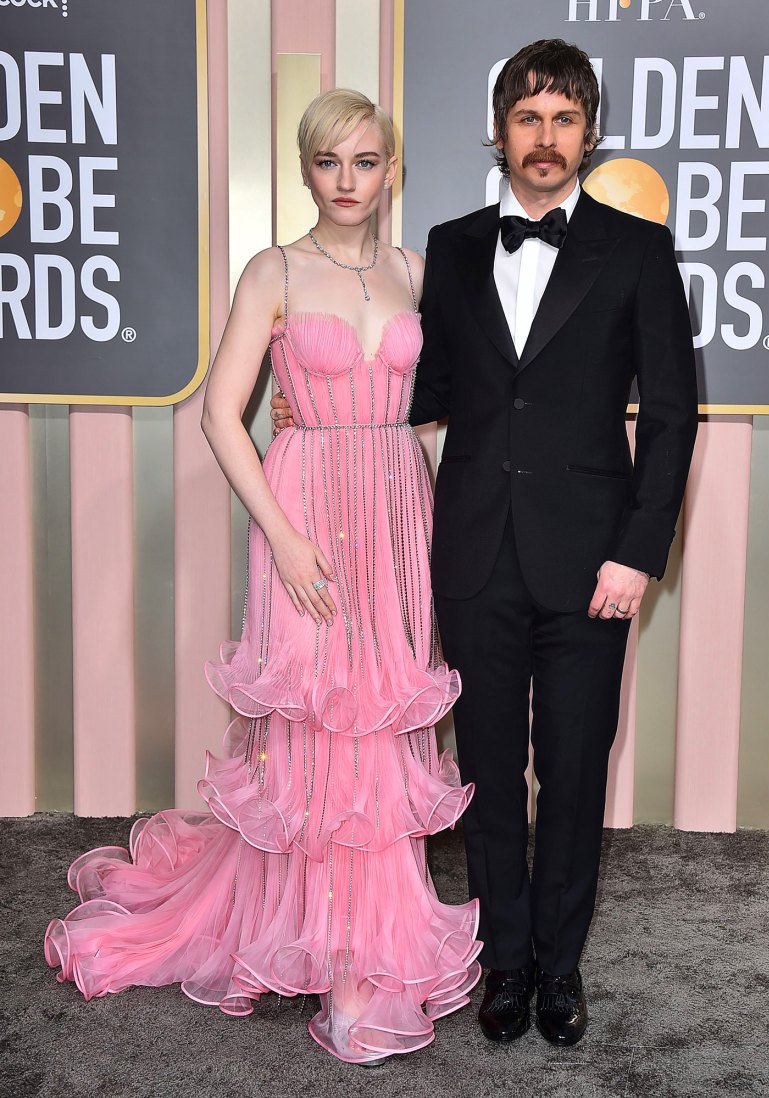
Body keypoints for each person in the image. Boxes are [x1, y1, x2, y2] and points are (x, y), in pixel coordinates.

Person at [272, 39, 697, 1048]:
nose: (542, 138)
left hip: (592, 560)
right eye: (525, 118)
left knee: (576, 769)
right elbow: (432, 389)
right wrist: (320, 413)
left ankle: (559, 966)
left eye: (561, 119)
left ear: (586, 134)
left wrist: (637, 552)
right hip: (466, 554)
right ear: (499, 132)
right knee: (489, 772)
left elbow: (672, 416)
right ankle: (503, 962)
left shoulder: (636, 250)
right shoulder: (451, 244)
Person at [44, 89, 480, 1066]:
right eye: (329, 162)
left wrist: (414, 450)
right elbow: (215, 412)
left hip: (393, 506)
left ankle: (369, 938)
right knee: (320, 721)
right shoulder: (273, 270)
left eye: (365, 162)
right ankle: (341, 960)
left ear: (390, 169)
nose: (348, 181)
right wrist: (281, 535)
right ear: (305, 170)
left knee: (379, 715)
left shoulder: (416, 271)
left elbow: (445, 402)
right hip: (304, 511)